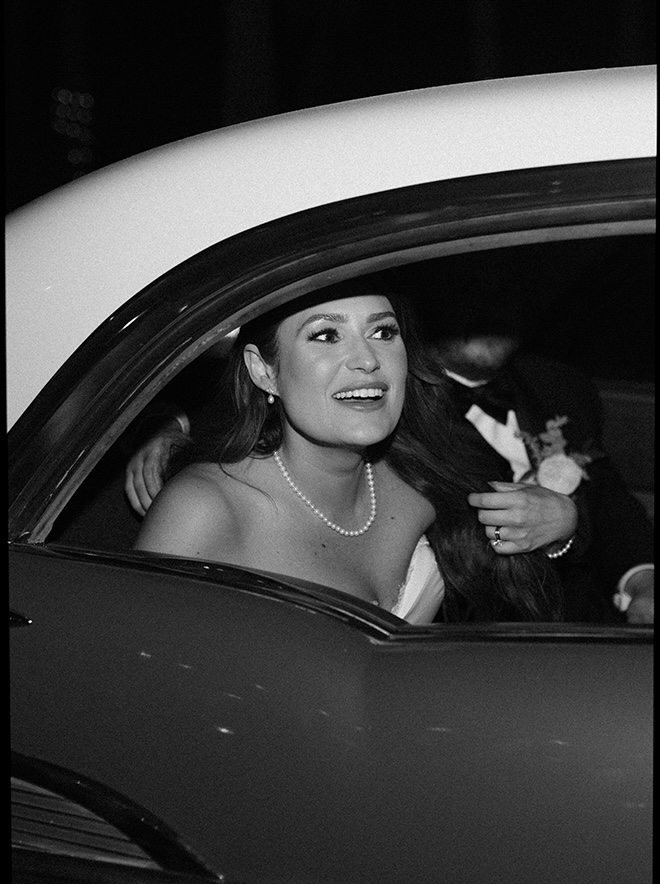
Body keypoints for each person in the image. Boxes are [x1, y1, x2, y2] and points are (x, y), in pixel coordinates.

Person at [133, 281, 565, 623]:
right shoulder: (203, 509)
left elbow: (512, 587)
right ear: (264, 371)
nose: (367, 359)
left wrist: (562, 527)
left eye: (383, 332)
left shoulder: (429, 472)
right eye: (326, 335)